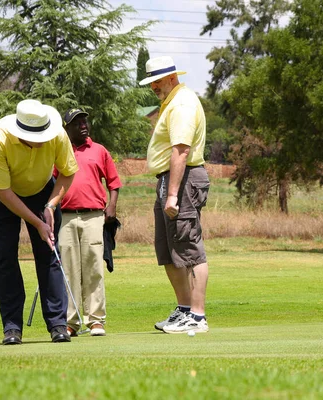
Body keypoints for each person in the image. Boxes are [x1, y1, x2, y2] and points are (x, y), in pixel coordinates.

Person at [0, 99, 79, 345]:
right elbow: (3, 192)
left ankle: (58, 324)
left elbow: (68, 172)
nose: (39, 141)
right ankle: (12, 327)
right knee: (5, 260)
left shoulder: (56, 133)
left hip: (42, 192)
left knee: (49, 255)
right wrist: (37, 222)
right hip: (3, 194)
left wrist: (50, 205)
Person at [139, 56, 211, 334]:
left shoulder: (181, 103)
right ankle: (184, 310)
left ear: (171, 77)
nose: (153, 87)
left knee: (188, 245)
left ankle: (197, 316)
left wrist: (172, 195)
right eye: (151, 82)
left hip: (183, 179)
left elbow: (180, 150)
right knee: (168, 250)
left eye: (157, 81)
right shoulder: (171, 101)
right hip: (170, 179)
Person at [56, 108, 122, 337]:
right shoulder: (59, 151)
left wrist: (111, 206)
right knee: (69, 271)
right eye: (77, 123)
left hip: (94, 216)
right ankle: (70, 323)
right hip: (65, 217)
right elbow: (53, 183)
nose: (83, 125)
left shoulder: (99, 151)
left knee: (93, 268)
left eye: (84, 121)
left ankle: (96, 320)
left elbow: (114, 183)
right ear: (67, 128)